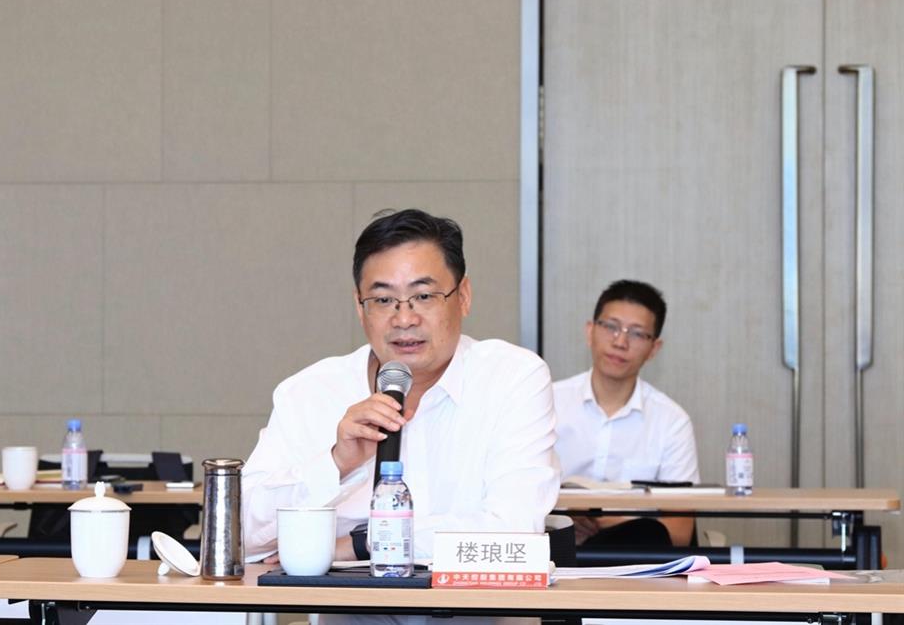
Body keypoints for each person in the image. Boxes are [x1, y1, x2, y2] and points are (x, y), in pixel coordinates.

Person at [242, 209, 559, 624]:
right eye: (383, 300)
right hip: (352, 616)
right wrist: (336, 463)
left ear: (463, 296)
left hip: (480, 615)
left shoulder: (512, 378)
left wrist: (361, 544)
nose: (404, 318)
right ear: (360, 308)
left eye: (424, 296)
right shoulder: (309, 392)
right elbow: (243, 535)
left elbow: (514, 531)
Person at [553, 280, 699, 547]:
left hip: (632, 555)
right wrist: (563, 517)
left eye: (637, 334)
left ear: (654, 349)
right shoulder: (547, 402)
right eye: (611, 327)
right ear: (590, 331)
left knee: (645, 535)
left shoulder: (672, 421)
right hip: (553, 551)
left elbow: (680, 533)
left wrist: (616, 521)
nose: (620, 342)